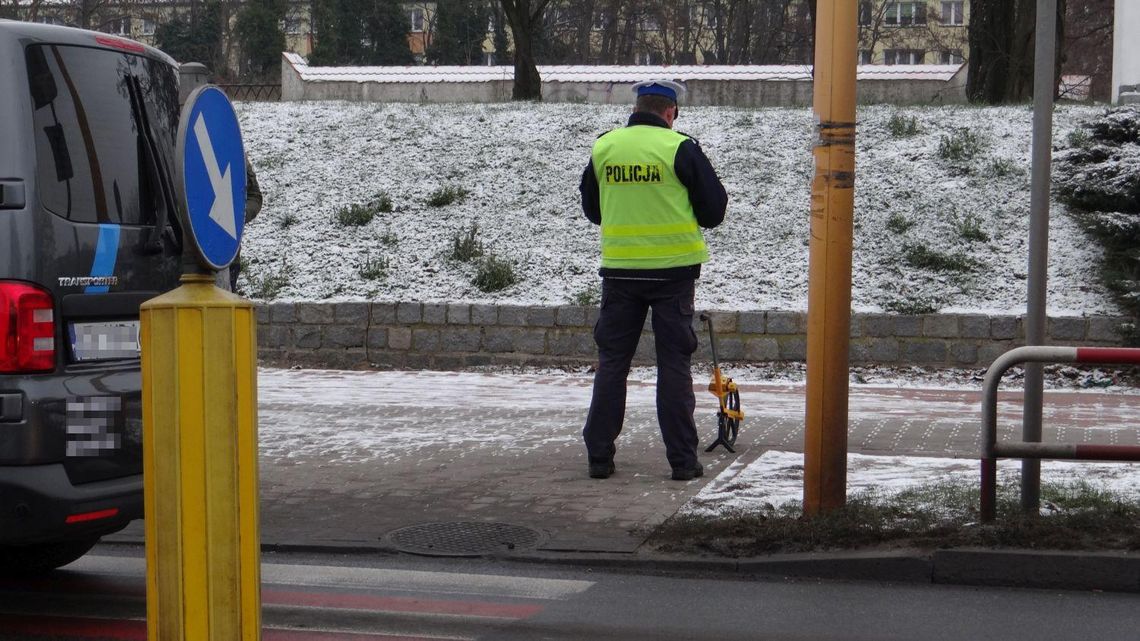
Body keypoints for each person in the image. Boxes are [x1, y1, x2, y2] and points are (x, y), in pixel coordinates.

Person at [578, 79, 728, 481]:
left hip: (620, 273)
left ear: (637, 108)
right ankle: (682, 461)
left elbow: (593, 210)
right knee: (673, 366)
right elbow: (714, 211)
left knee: (613, 364)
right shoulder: (679, 148)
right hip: (673, 276)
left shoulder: (605, 147)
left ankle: (599, 458)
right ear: (670, 113)